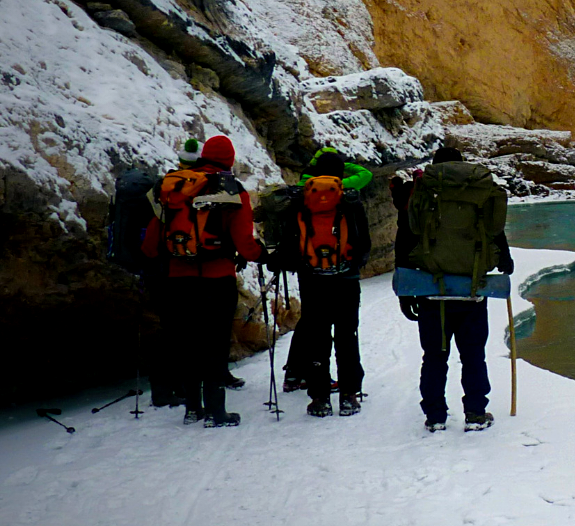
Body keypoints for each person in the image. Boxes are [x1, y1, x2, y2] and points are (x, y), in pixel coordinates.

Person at [140, 135, 264, 427]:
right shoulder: (233, 190)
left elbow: (150, 245)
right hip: (217, 280)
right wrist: (262, 254)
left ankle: (192, 409)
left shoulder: (173, 188)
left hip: (178, 280)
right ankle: (217, 412)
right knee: (215, 344)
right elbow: (246, 245)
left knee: (188, 343)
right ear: (229, 161)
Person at [393, 147, 513, 433]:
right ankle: (475, 413)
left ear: (435, 167)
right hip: (471, 289)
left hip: (432, 290)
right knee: (473, 354)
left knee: (434, 355)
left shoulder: (423, 190)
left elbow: (407, 237)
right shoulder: (479, 190)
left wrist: (405, 290)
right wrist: (505, 260)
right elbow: (494, 232)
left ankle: (435, 416)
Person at [274, 149, 371, 418]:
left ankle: (319, 398)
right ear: (341, 174)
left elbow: (290, 243)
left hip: (312, 280)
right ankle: (349, 396)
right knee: (346, 336)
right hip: (346, 280)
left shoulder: (301, 200)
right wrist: (352, 265)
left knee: (317, 336)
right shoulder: (350, 201)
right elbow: (364, 244)